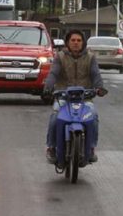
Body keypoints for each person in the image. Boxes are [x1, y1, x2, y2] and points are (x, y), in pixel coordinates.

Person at [43, 30, 106, 168]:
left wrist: (99, 88)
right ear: (67, 42)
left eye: (79, 40)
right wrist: (48, 87)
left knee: (93, 118)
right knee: (55, 118)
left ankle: (90, 148)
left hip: (85, 98)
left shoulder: (90, 57)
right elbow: (53, 73)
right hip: (63, 97)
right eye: (73, 40)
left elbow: (96, 75)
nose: (76, 43)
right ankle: (52, 148)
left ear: (83, 43)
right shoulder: (60, 57)